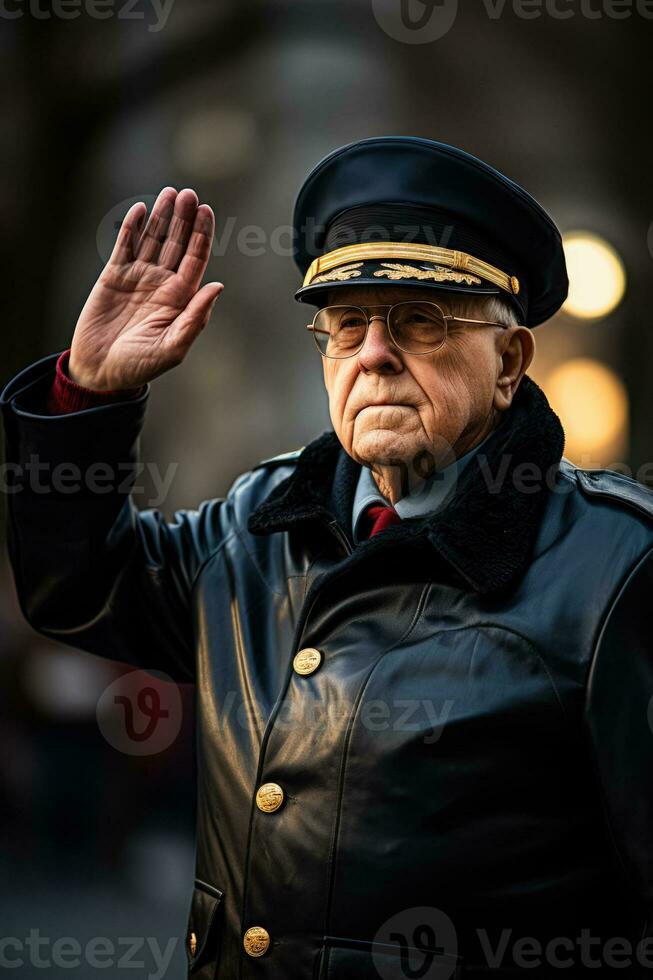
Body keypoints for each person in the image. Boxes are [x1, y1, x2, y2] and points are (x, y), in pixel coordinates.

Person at [2, 137, 652, 979]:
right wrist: (87, 395)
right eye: (347, 324)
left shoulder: (618, 562)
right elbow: (76, 591)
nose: (374, 353)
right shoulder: (255, 524)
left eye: (419, 319)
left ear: (509, 362)